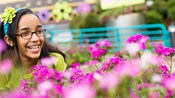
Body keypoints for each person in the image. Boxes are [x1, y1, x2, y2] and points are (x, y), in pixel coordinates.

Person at [0, 7, 67, 91]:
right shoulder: (3, 70)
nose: (35, 39)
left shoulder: (55, 61)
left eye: (39, 31)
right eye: (25, 33)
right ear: (10, 40)